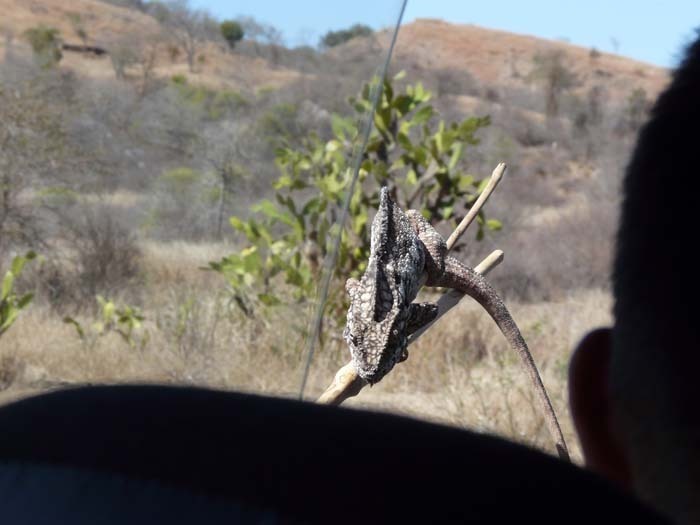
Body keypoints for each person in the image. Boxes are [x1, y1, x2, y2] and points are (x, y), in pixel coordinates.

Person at [0, 29, 698, 525]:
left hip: (426, 260)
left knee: (417, 310)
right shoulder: (371, 278)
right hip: (406, 266)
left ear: (600, 409)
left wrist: (423, 282)